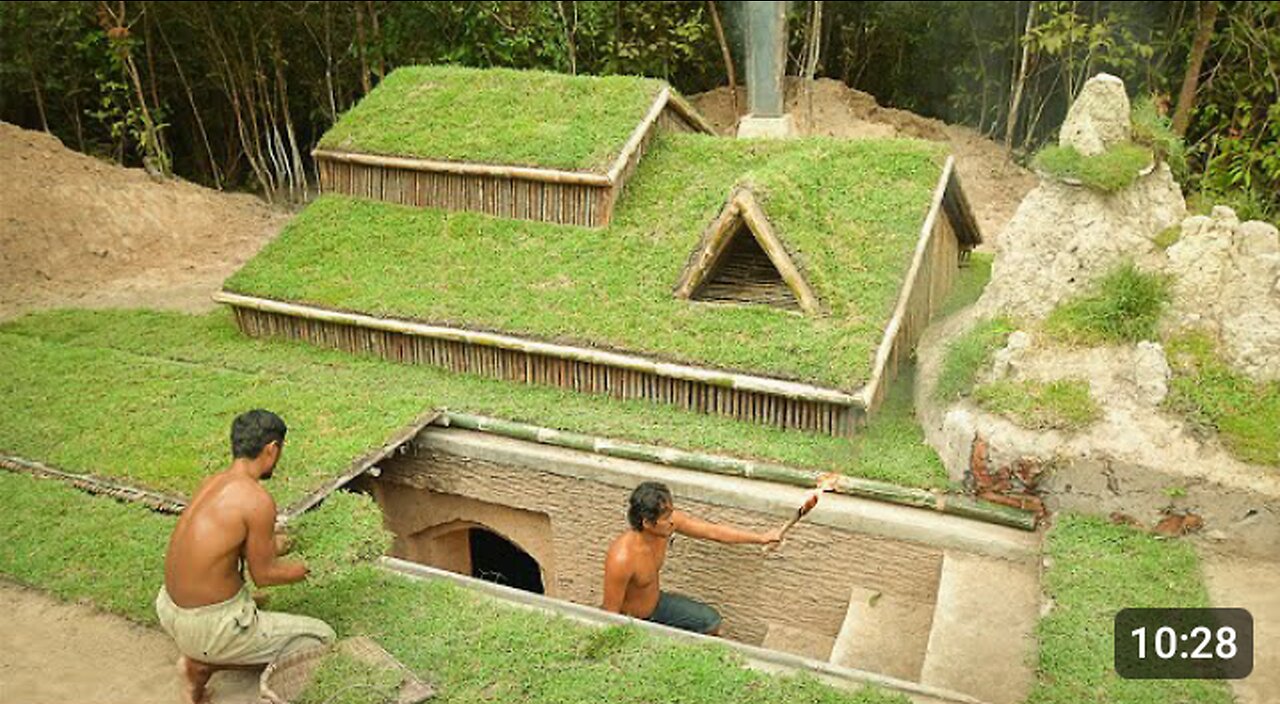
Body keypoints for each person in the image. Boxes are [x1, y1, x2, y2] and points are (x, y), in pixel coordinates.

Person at [156, 409, 335, 704]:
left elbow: (244, 547)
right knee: (322, 637)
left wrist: (294, 540)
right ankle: (201, 664)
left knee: (253, 603)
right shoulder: (257, 500)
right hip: (208, 626)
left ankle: (201, 657)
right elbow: (264, 575)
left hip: (170, 608)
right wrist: (317, 568)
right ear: (271, 449)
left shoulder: (214, 483)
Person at [601, 481, 782, 635]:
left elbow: (713, 532)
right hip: (634, 622)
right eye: (666, 517)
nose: (673, 520)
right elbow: (609, 616)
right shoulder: (622, 559)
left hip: (657, 605)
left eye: (672, 512)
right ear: (647, 523)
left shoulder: (667, 525)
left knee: (711, 622)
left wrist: (761, 538)